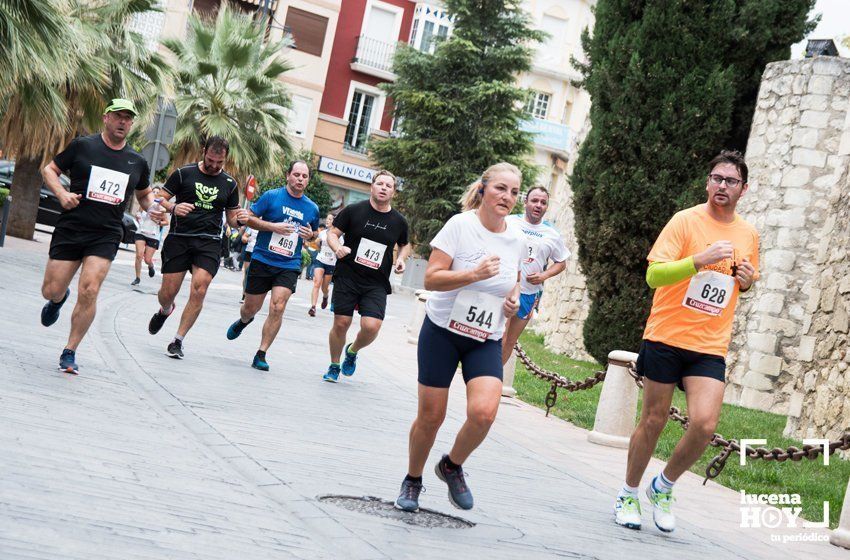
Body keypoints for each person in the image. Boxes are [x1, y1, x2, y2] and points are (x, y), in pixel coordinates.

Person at [613, 150, 759, 533]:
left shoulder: (748, 234)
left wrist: (747, 279)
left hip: (709, 343)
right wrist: (699, 259)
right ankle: (628, 493)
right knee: (654, 420)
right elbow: (654, 277)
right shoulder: (685, 221)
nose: (722, 186)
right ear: (707, 182)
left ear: (743, 189)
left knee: (705, 424)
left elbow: (735, 285)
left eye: (731, 181)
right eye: (716, 178)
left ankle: (663, 486)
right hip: (666, 335)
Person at [394, 162, 525, 513]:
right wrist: (472, 273)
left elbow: (514, 279)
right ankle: (413, 479)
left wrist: (512, 300)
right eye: (500, 188)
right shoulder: (460, 225)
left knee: (484, 413)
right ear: (483, 189)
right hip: (442, 332)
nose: (507, 197)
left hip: (485, 336)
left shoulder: (518, 236)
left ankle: (451, 465)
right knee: (431, 416)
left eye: (514, 192)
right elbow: (431, 279)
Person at [40, 98, 160, 374]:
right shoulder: (83, 146)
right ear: (106, 118)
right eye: (118, 116)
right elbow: (50, 170)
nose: (123, 122)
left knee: (90, 289)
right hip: (72, 227)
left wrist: (154, 210)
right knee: (51, 288)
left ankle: (70, 350)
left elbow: (144, 195)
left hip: (105, 233)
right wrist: (61, 194)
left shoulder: (137, 161)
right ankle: (58, 299)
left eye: (128, 118)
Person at [147, 136, 246, 358]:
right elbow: (158, 197)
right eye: (211, 160)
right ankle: (165, 309)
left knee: (200, 288)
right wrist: (173, 207)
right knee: (167, 292)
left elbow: (231, 219)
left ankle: (178, 340)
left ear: (225, 158)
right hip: (179, 238)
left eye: (219, 162)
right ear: (204, 152)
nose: (214, 166)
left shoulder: (230, 184)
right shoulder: (184, 173)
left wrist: (240, 220)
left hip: (209, 242)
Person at [225, 161, 319, 370]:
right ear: (288, 176)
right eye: (296, 175)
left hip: (289, 263)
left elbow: (314, 233)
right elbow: (249, 218)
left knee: (278, 306)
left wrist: (310, 234)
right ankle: (243, 321)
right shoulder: (271, 197)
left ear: (308, 180)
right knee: (250, 308)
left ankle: (261, 353)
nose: (300, 179)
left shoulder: (312, 208)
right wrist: (272, 226)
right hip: (263, 259)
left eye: (304, 176)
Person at [321, 171, 411, 382]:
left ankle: (352, 351)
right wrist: (337, 248)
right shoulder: (354, 210)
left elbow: (405, 244)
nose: (383, 188)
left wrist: (401, 259)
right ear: (372, 186)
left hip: (376, 282)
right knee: (341, 323)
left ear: (393, 192)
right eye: (379, 183)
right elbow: (333, 233)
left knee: (371, 326)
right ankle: (334, 365)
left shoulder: (399, 221)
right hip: (348, 275)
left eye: (388, 186)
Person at [501, 186, 569, 364]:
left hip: (529, 293)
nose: (538, 205)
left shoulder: (552, 234)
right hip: (505, 288)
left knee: (509, 341)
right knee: (500, 336)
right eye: (534, 201)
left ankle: (494, 379)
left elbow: (562, 262)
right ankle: (486, 380)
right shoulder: (509, 222)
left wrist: (544, 276)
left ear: (547, 207)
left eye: (543, 202)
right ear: (525, 202)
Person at [131, 186, 166, 286]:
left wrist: (158, 222)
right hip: (141, 232)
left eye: (156, 192)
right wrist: (138, 216)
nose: (154, 193)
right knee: (139, 255)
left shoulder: (161, 208)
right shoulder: (144, 205)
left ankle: (150, 266)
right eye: (153, 191)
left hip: (153, 235)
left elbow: (166, 222)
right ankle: (137, 278)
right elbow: (138, 213)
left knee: (147, 259)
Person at [309, 215, 338, 317]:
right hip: (320, 260)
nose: (327, 221)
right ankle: (313, 307)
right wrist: (319, 247)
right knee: (316, 283)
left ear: (334, 222)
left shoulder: (338, 235)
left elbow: (340, 249)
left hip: (331, 263)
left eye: (330, 219)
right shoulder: (322, 233)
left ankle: (325, 296)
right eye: (327, 218)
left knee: (324, 287)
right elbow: (316, 243)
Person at [239, 226, 258, 303]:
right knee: (247, 274)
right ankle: (244, 295)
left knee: (256, 276)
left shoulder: (269, 224)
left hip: (260, 253)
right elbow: (244, 237)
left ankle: (252, 296)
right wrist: (247, 239)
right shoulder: (252, 226)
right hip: (250, 251)